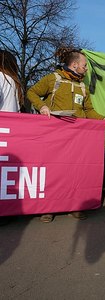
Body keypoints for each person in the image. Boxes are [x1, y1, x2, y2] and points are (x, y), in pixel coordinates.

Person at [27, 47, 105, 223]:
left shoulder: (82, 86)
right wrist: (42, 106)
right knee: (53, 171)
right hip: (55, 136)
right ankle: (48, 208)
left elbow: (88, 110)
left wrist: (102, 119)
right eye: (84, 65)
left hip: (77, 138)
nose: (86, 69)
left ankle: (74, 206)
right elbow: (31, 92)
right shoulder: (53, 79)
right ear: (74, 65)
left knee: (75, 171)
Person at [0, 50, 24, 226]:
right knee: (8, 175)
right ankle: (9, 210)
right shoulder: (16, 83)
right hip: (13, 134)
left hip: (2, 131)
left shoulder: (0, 78)